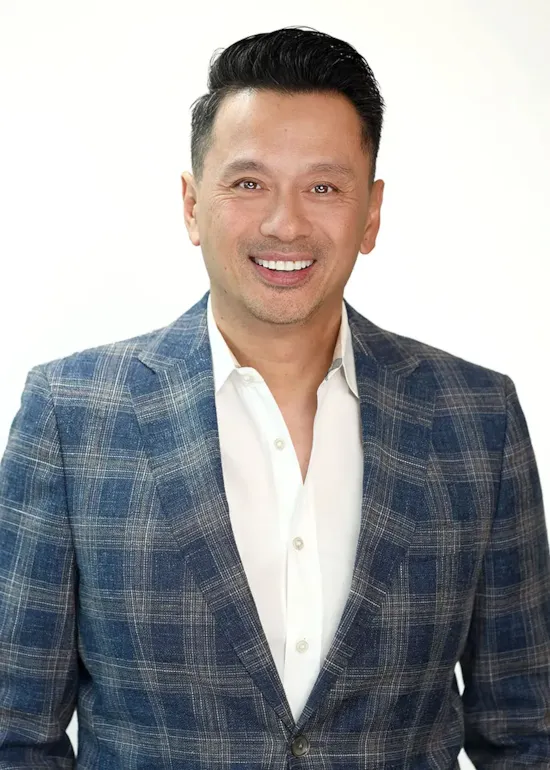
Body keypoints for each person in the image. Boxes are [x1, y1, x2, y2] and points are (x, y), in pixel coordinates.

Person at [0, 25, 548, 770]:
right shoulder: (72, 417)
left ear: (371, 213)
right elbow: (15, 734)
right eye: (249, 183)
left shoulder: (478, 419)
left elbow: (527, 734)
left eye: (323, 187)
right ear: (192, 204)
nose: (286, 223)